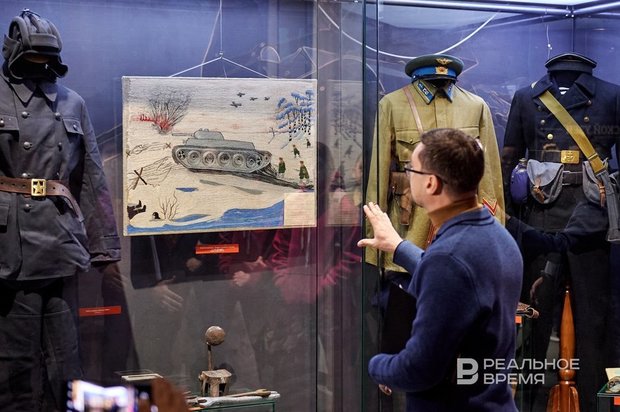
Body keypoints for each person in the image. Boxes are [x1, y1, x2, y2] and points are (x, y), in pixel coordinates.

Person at [0, 10, 121, 411]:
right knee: (14, 365)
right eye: (32, 56)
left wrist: (103, 248)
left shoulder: (72, 102)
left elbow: (90, 177)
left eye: (46, 57)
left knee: (66, 361)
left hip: (59, 240)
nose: (40, 65)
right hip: (8, 245)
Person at [359, 128, 522, 411]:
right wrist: (399, 247)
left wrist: (376, 364)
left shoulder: (448, 260)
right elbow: (461, 281)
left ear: (431, 183)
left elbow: (419, 369)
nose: (407, 175)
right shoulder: (498, 237)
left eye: (411, 169)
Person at [502, 52, 620, 411]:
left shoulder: (612, 96)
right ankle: (528, 403)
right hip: (541, 215)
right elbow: (509, 158)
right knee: (534, 316)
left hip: (591, 219)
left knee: (594, 316)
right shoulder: (526, 98)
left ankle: (597, 402)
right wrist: (509, 219)